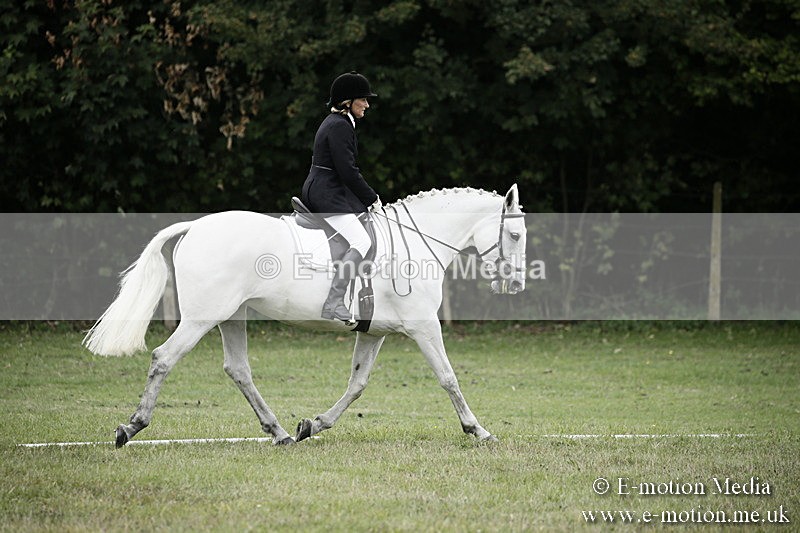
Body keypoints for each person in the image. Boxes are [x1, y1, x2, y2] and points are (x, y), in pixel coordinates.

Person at [301, 71, 381, 322]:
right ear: (348, 101)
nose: (367, 105)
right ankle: (334, 301)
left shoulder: (338, 123)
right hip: (326, 192)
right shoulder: (339, 126)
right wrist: (371, 198)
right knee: (362, 241)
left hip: (327, 188)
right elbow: (347, 171)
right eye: (363, 100)